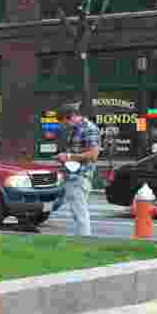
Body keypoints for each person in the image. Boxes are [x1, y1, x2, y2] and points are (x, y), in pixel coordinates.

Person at [56, 101, 100, 237]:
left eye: (64, 122)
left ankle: (84, 240)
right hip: (72, 175)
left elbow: (93, 154)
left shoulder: (89, 128)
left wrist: (68, 156)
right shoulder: (74, 129)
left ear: (72, 117)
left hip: (81, 175)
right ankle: (82, 238)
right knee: (77, 211)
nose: (63, 126)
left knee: (80, 212)